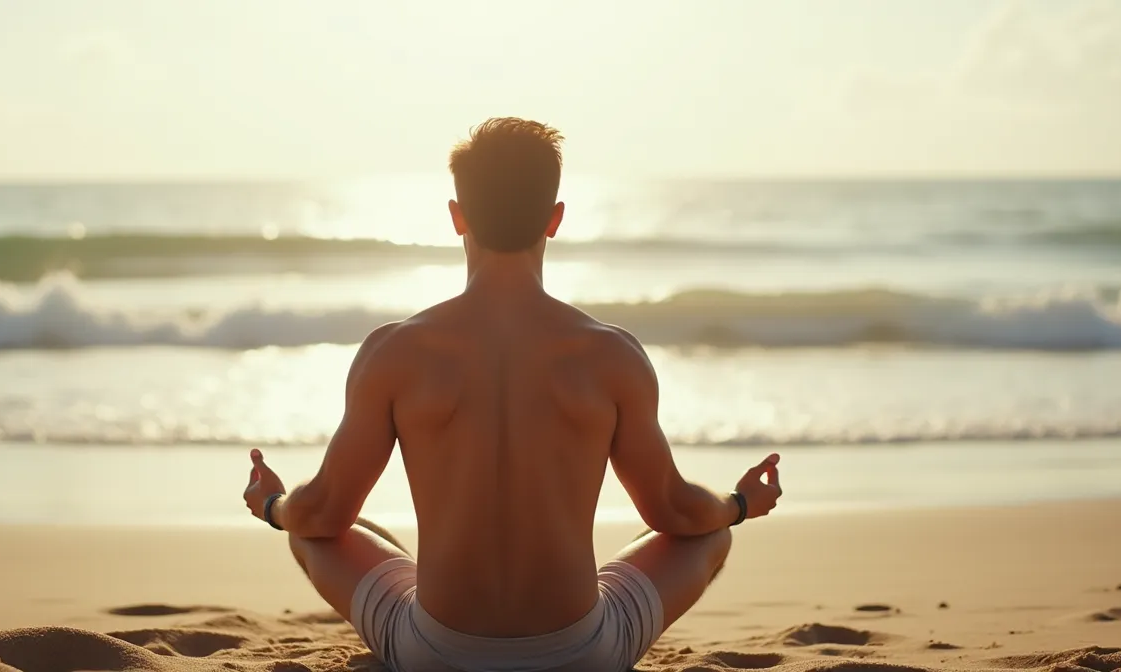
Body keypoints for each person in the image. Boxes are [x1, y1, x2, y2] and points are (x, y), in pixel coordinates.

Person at [241, 117, 783, 672]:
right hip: (583, 653)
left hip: (434, 652)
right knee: (709, 535)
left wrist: (272, 505)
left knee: (317, 532)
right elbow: (672, 510)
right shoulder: (611, 355)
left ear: (457, 217)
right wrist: (738, 506)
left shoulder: (394, 352)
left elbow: (324, 512)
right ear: (555, 220)